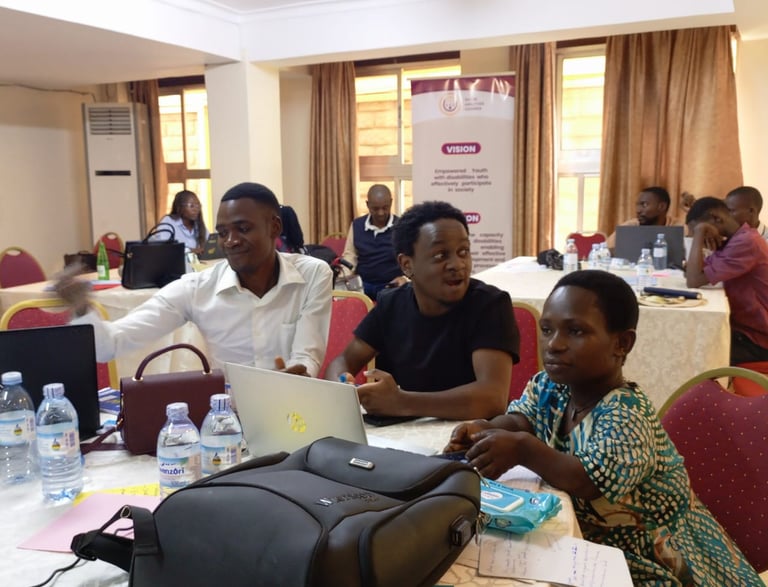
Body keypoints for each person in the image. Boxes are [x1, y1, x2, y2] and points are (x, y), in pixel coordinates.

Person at [445, 270, 762, 585]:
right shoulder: (551, 385)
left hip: (664, 563)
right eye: (547, 329)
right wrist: (485, 429)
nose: (554, 344)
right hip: (599, 551)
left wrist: (521, 448)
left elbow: (587, 481)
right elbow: (522, 419)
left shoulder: (628, 415)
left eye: (575, 331)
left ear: (622, 343)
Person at [56, 182, 333, 376]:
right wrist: (81, 308)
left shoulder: (312, 275)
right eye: (222, 233)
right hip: (230, 424)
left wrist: (299, 376)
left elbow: (306, 356)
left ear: (274, 227)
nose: (231, 241)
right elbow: (111, 344)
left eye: (243, 228)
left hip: (295, 413)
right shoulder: (197, 289)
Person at [326, 200, 520, 421]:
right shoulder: (391, 304)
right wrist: (343, 386)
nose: (457, 264)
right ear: (407, 265)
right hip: (403, 435)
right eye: (440, 255)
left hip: (471, 435)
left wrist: (402, 402)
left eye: (463, 251)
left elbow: (492, 398)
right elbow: (342, 361)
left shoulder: (489, 305)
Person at [685, 196, 768, 364]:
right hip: (742, 329)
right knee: (687, 337)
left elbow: (693, 280)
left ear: (716, 218)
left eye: (701, 230)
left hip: (757, 340)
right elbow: (693, 271)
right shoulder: (733, 240)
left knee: (691, 355)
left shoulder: (746, 242)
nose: (700, 237)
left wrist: (699, 234)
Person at [340, 184, 408, 299]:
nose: (381, 213)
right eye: (375, 209)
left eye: (385, 208)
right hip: (362, 284)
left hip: (391, 285)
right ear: (368, 205)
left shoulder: (402, 227)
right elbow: (350, 256)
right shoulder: (357, 225)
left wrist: (405, 279)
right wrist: (342, 277)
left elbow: (411, 259)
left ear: (391, 203)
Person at [606, 186, 679, 248]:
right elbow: (604, 251)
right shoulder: (629, 227)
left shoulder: (679, 228)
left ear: (661, 207)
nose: (638, 210)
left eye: (644, 205)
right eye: (637, 205)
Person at [151, 190, 209, 255]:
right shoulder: (168, 222)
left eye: (198, 205)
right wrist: (190, 250)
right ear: (180, 207)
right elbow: (163, 248)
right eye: (191, 206)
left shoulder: (198, 225)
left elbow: (209, 243)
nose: (196, 209)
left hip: (197, 261)